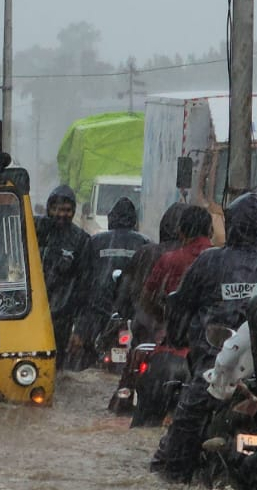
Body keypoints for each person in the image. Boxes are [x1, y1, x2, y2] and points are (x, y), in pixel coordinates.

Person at [151, 191, 257, 484]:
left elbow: (181, 304)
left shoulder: (211, 261)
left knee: (179, 437)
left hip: (215, 368)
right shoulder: (211, 260)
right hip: (228, 368)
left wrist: (176, 336)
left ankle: (176, 474)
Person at [67, 196, 150, 370]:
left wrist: (80, 326)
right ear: (134, 220)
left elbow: (83, 281)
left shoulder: (96, 241)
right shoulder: (145, 244)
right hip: (133, 314)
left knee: (81, 362)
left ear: (111, 218)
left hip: (98, 312)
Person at [112, 202, 187, 345]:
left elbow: (124, 293)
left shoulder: (145, 253)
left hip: (144, 331)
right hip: (180, 337)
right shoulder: (197, 256)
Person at [35, 185, 89, 369]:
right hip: (31, 312)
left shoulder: (80, 240)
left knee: (55, 370)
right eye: (56, 209)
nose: (61, 214)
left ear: (73, 211)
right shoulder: (36, 229)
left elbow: (85, 287)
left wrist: (80, 329)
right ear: (49, 209)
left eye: (66, 210)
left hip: (61, 319)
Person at [140, 205, 213, 338]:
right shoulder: (221, 259)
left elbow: (147, 297)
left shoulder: (169, 260)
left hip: (174, 338)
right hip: (211, 338)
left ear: (180, 231)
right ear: (210, 231)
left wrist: (164, 318)